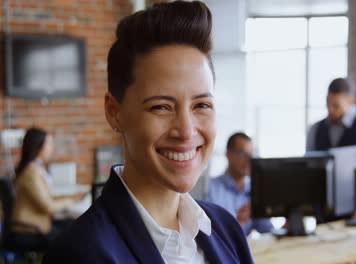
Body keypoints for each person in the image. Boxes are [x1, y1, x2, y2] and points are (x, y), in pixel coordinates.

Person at [43, 2, 253, 263]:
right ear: (114, 112)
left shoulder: (225, 229)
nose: (186, 131)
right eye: (161, 107)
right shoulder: (81, 252)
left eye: (201, 105)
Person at [11, 127, 85, 247]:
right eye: (49, 143)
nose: (52, 148)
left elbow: (46, 197)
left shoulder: (35, 167)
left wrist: (70, 197)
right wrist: (71, 200)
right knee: (75, 234)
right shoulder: (31, 172)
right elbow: (48, 206)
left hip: (37, 224)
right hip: (29, 229)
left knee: (73, 225)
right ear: (38, 146)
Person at [206, 132, 273, 235]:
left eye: (251, 155)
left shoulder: (254, 190)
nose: (248, 160)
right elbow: (208, 235)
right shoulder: (210, 188)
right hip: (222, 249)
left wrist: (288, 226)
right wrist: (238, 223)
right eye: (242, 154)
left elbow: (267, 230)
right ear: (228, 154)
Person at [306, 78, 356, 151]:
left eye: (336, 106)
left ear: (351, 101)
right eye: (328, 103)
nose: (330, 110)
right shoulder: (315, 129)